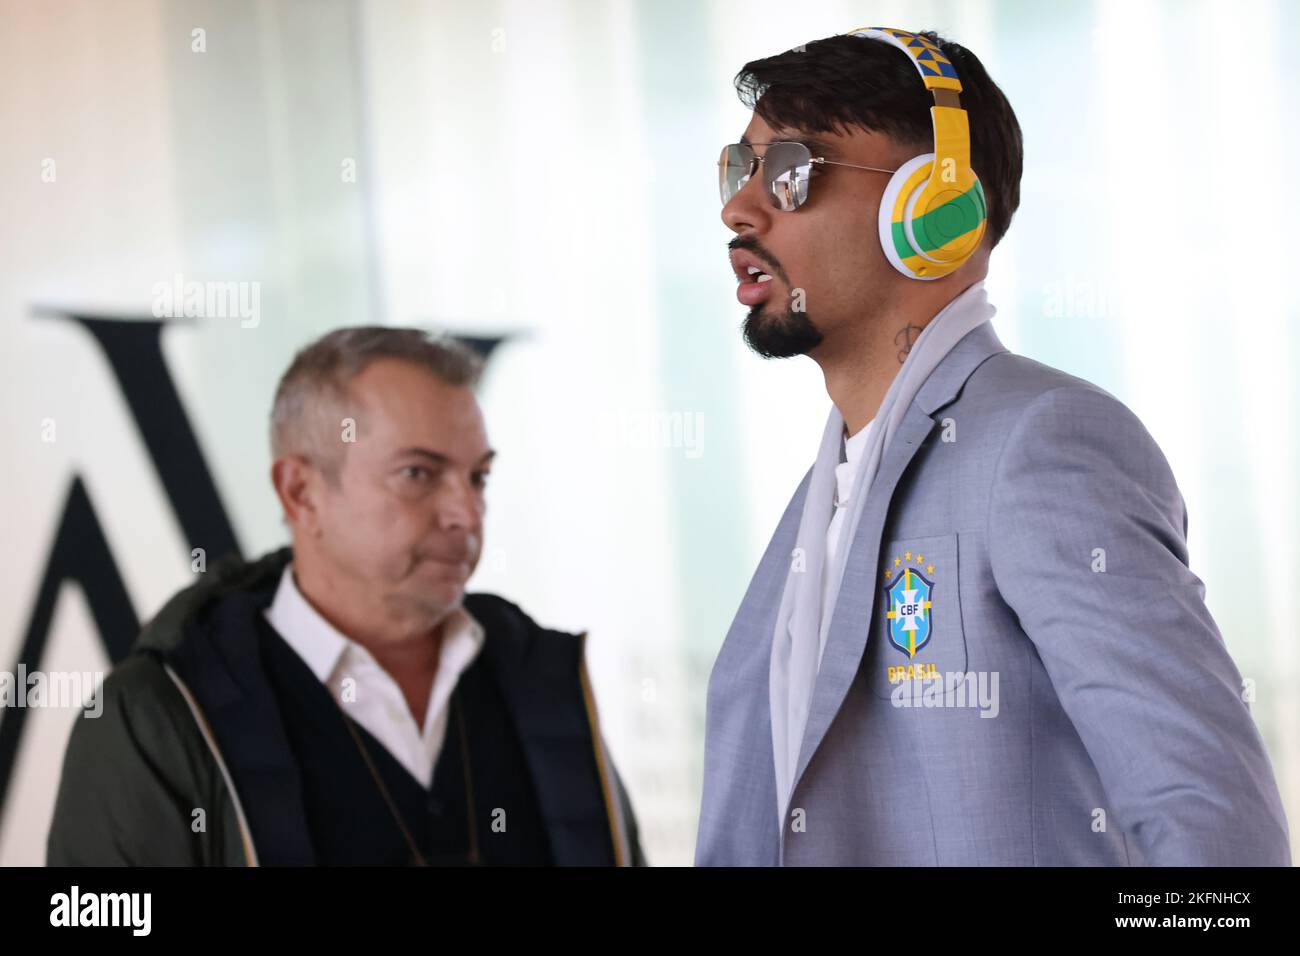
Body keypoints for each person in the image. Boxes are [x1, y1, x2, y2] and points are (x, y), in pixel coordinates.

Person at [696, 27, 1289, 865]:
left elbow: (1215, 828)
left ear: (934, 208)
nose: (740, 207)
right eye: (741, 167)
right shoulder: (825, 491)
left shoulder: (1045, 439)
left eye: (792, 170)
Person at [48, 327, 643, 866]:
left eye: (477, 477)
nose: (466, 512)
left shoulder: (542, 681)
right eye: (418, 474)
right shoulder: (159, 714)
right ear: (301, 492)